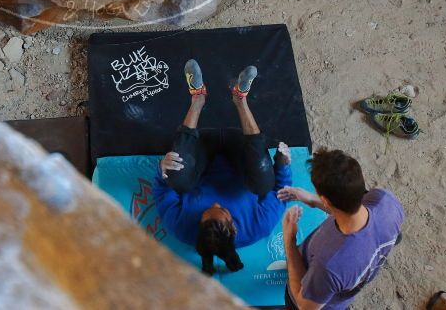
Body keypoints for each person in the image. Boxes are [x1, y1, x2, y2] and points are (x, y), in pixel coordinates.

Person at [152, 59, 292, 275]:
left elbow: (161, 191)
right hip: (240, 151)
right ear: (233, 227)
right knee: (265, 182)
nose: (217, 203)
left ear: (198, 225)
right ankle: (240, 99)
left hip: (201, 150)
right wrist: (283, 165)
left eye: (206, 211)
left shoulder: (181, 228)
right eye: (223, 210)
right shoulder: (258, 225)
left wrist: (162, 168)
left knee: (174, 176)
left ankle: (197, 98)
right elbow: (281, 192)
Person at [278, 149, 404, 310]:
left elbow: (304, 305)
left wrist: (289, 240)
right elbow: (351, 207)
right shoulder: (386, 201)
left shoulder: (329, 264)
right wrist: (312, 200)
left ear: (326, 200)